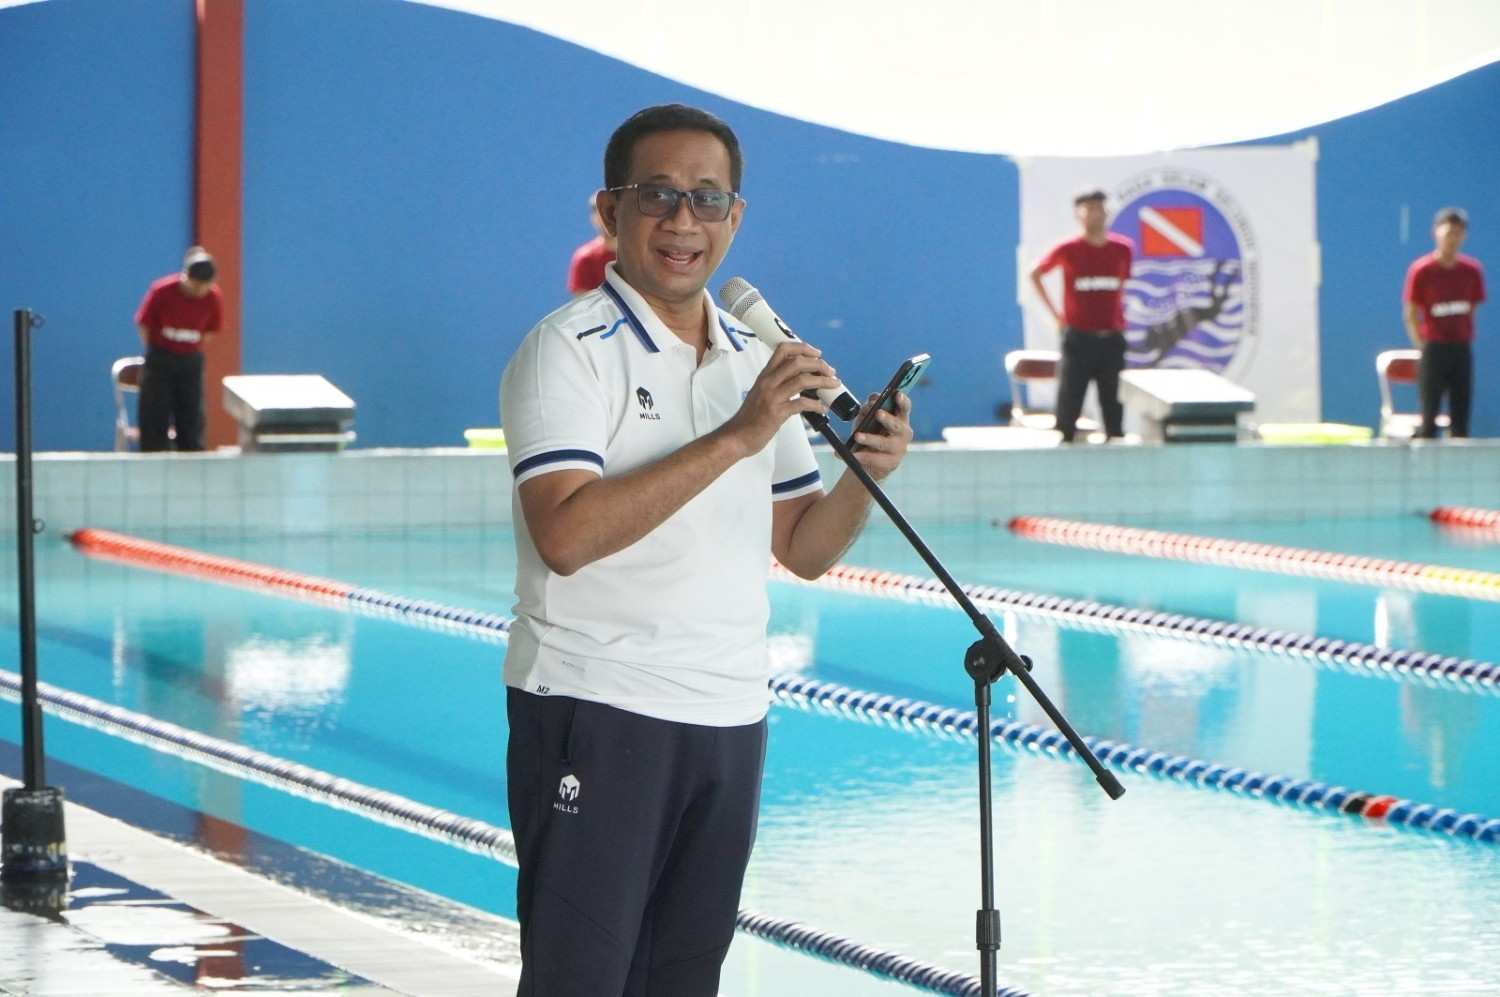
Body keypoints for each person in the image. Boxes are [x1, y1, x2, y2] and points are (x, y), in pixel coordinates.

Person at [499, 103, 913, 996]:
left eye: (707, 198)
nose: (683, 220)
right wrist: (738, 433)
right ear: (609, 211)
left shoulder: (756, 359)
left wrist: (865, 476)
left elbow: (803, 547)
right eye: (657, 195)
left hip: (728, 713)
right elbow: (565, 536)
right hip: (597, 705)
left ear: (735, 217)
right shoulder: (566, 350)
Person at [1029, 189, 1135, 442]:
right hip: (1079, 339)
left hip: (1112, 338)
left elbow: (1122, 284)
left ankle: (1115, 451)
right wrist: (1056, 315)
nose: (1095, 214)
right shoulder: (1068, 250)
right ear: (1079, 215)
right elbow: (1035, 273)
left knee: (1113, 407)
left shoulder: (1122, 249)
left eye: (1099, 208)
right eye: (1088, 209)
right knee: (1069, 406)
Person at [1403, 207, 1484, 439]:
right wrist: (1422, 345)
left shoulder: (1472, 271)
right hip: (1434, 348)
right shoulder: (1422, 270)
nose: (1452, 239)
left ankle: (1457, 459)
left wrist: (1464, 332)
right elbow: (1410, 312)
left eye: (1458, 233)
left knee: (1460, 417)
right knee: (1429, 417)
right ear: (1435, 233)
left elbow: (1473, 306)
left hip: (1461, 348)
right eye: (1448, 233)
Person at [132, 246, 223, 451]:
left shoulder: (213, 297)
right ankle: (153, 457)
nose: (199, 291)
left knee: (191, 415)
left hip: (190, 361)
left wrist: (187, 345)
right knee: (155, 414)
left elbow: (211, 330)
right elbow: (144, 324)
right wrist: (158, 350)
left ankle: (191, 459)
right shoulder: (162, 291)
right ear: (185, 276)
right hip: (160, 359)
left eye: (204, 286)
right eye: (195, 285)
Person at [566, 191, 618, 294]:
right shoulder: (585, 258)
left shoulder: (640, 253)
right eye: (599, 213)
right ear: (594, 219)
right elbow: (583, 300)